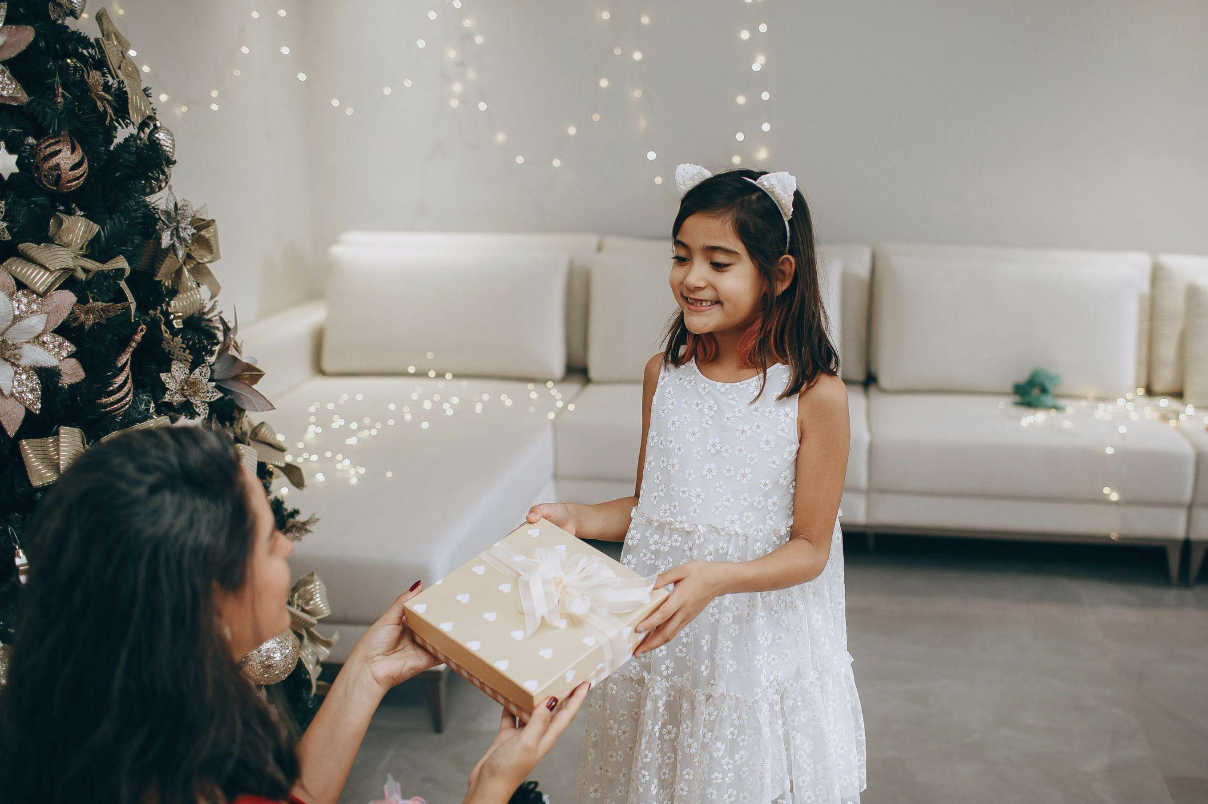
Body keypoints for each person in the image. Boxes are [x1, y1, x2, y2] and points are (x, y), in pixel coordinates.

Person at [0, 426, 588, 804]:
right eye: (267, 541)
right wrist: (491, 787)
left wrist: (365, 674)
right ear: (209, 603)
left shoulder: (127, 720)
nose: (287, 547)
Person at [527, 164, 867, 803]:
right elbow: (653, 510)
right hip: (665, 636)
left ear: (780, 274)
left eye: (720, 262)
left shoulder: (815, 395)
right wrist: (577, 517)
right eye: (681, 257)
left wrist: (716, 578)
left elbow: (810, 549)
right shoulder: (667, 374)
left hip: (752, 642)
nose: (692, 278)